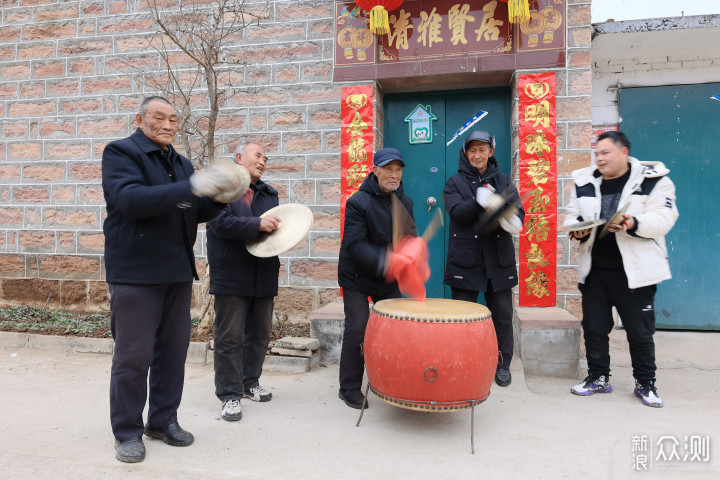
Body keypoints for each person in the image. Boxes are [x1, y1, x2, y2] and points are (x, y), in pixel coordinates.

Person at [103, 96, 245, 463]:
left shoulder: (180, 163)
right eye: (158, 117)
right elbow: (130, 200)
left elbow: (195, 209)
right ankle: (128, 431)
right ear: (140, 119)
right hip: (135, 273)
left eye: (173, 119)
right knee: (133, 356)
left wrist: (221, 195)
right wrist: (195, 186)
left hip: (177, 271)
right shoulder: (121, 154)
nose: (167, 124)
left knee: (172, 353)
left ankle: (162, 420)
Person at [566, 131, 678, 407]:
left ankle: (645, 383)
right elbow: (573, 215)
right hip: (595, 271)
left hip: (636, 272)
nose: (600, 158)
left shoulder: (654, 181)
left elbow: (664, 217)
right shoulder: (584, 181)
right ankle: (598, 376)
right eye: (597, 154)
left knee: (639, 332)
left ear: (624, 152)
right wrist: (577, 231)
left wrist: (633, 222)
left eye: (606, 153)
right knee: (594, 327)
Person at [443, 130, 524, 387]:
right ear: (465, 153)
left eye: (482, 149)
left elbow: (518, 216)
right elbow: (458, 213)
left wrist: (507, 214)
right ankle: (461, 362)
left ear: (491, 151)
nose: (477, 155)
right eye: (472, 150)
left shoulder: (504, 181)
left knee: (502, 316)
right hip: (466, 262)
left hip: (498, 262)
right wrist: (481, 202)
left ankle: (502, 364)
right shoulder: (454, 183)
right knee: (462, 318)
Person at [337, 148, 417, 409]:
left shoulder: (405, 203)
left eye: (398, 169)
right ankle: (348, 387)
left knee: (394, 328)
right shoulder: (358, 202)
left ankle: (390, 379)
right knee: (359, 328)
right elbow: (356, 245)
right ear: (376, 171)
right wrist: (388, 261)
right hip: (357, 276)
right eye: (389, 169)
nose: (394, 175)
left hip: (387, 276)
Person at [206, 142, 281, 422]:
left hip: (264, 271)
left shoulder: (268, 193)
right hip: (231, 272)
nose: (263, 161)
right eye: (257, 155)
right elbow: (219, 224)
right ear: (239, 158)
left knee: (260, 334)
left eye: (266, 157)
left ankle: (250, 383)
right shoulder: (222, 188)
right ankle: (229, 395)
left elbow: (274, 229)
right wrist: (256, 226)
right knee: (230, 337)